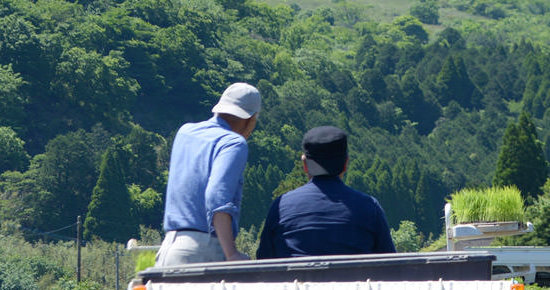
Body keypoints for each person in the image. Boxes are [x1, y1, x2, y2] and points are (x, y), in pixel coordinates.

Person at [158, 82, 260, 266]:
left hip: (168, 247)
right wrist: (231, 254)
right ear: (252, 119)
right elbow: (217, 197)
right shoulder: (233, 143)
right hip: (202, 250)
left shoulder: (185, 132)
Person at [256, 125, 395, 259]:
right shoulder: (370, 207)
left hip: (297, 276)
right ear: (346, 163)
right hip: (353, 277)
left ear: (305, 165)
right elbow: (390, 264)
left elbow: (264, 262)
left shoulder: (281, 207)